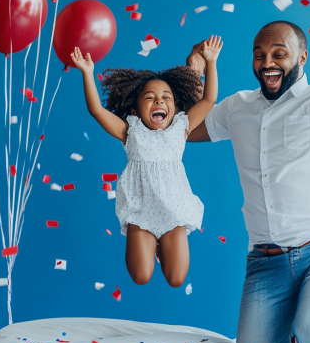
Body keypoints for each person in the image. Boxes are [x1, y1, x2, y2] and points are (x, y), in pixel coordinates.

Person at [186, 11, 310, 343]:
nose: (267, 63)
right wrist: (192, 73)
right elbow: (181, 131)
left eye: (279, 53)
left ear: (302, 57)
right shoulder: (236, 107)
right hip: (267, 262)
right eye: (259, 55)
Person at [71, 35, 223, 288]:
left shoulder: (181, 127)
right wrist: (87, 73)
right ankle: (151, 243)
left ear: (175, 108)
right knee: (141, 277)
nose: (159, 101)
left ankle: (164, 245)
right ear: (135, 110)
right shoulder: (130, 131)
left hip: (173, 211)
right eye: (150, 97)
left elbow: (208, 100)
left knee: (176, 279)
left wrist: (211, 62)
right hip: (141, 211)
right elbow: (97, 110)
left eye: (166, 97)